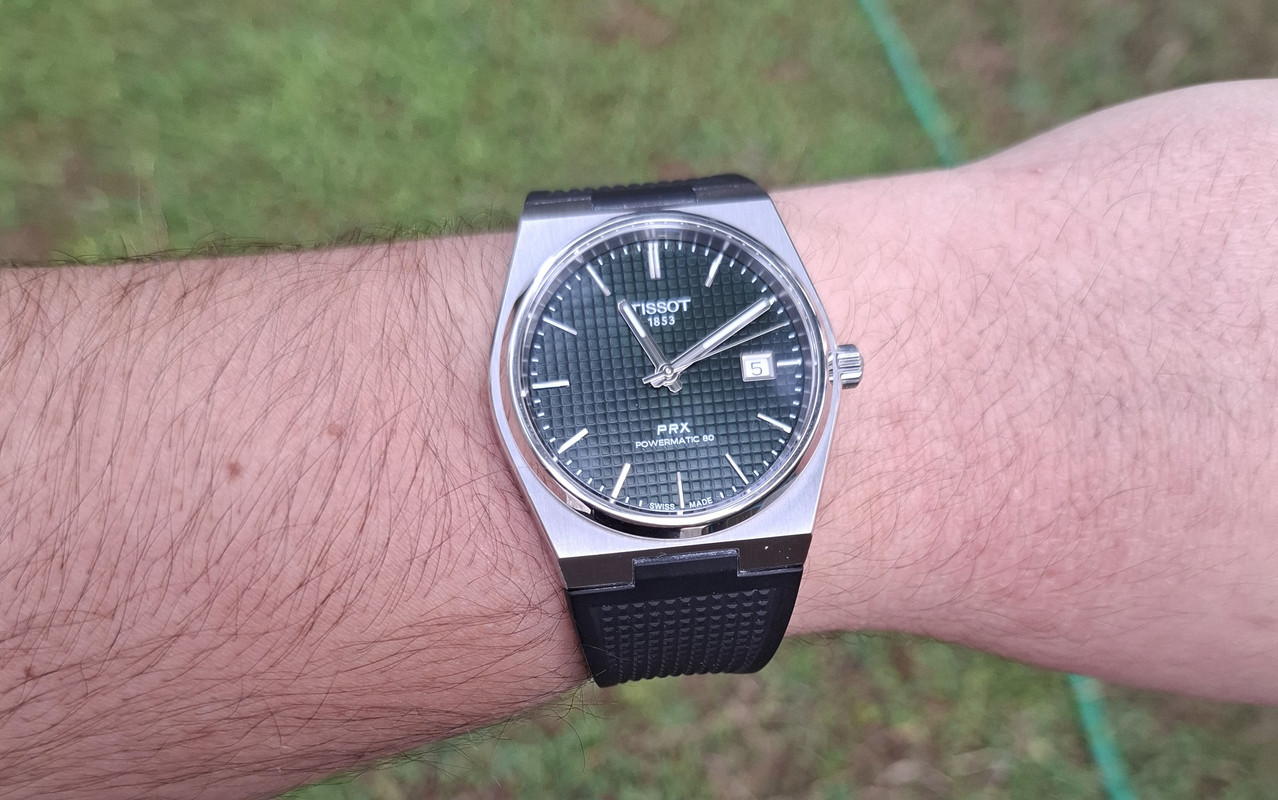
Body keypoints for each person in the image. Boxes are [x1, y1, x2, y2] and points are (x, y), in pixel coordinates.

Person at [2, 80, 1275, 800]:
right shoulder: (538, 362)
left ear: (834, 365)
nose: (663, 373)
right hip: (617, 465)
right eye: (654, 365)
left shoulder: (800, 377)